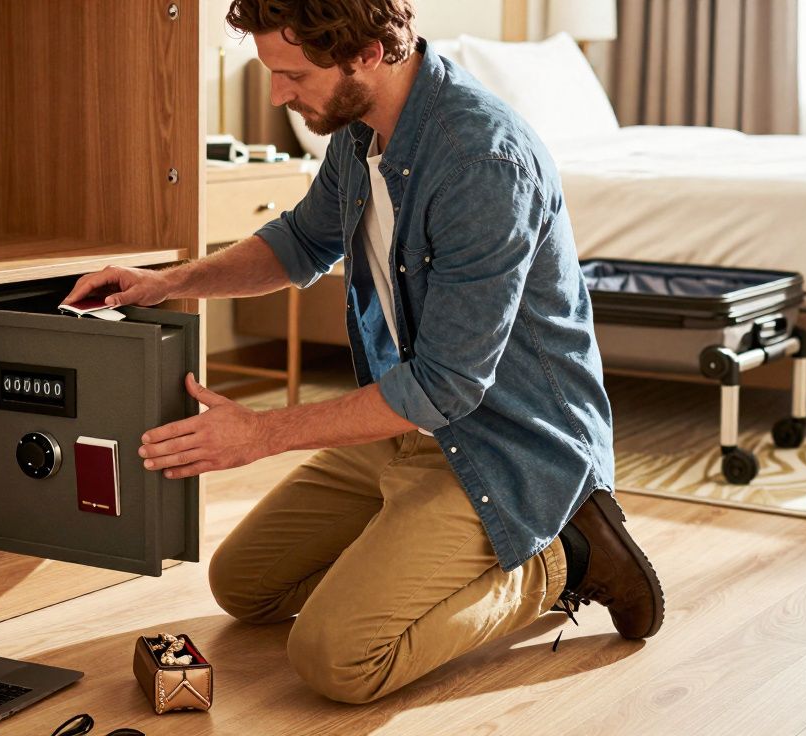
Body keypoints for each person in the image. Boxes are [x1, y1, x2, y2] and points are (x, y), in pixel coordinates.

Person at [62, 0, 663, 704]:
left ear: (368, 55)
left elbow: (447, 386)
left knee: (337, 660)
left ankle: (567, 556)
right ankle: (408, 557)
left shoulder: (481, 161)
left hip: (507, 445)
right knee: (244, 587)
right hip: (406, 426)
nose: (278, 93)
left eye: (291, 75)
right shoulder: (359, 134)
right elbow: (297, 244)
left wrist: (258, 434)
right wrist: (167, 282)